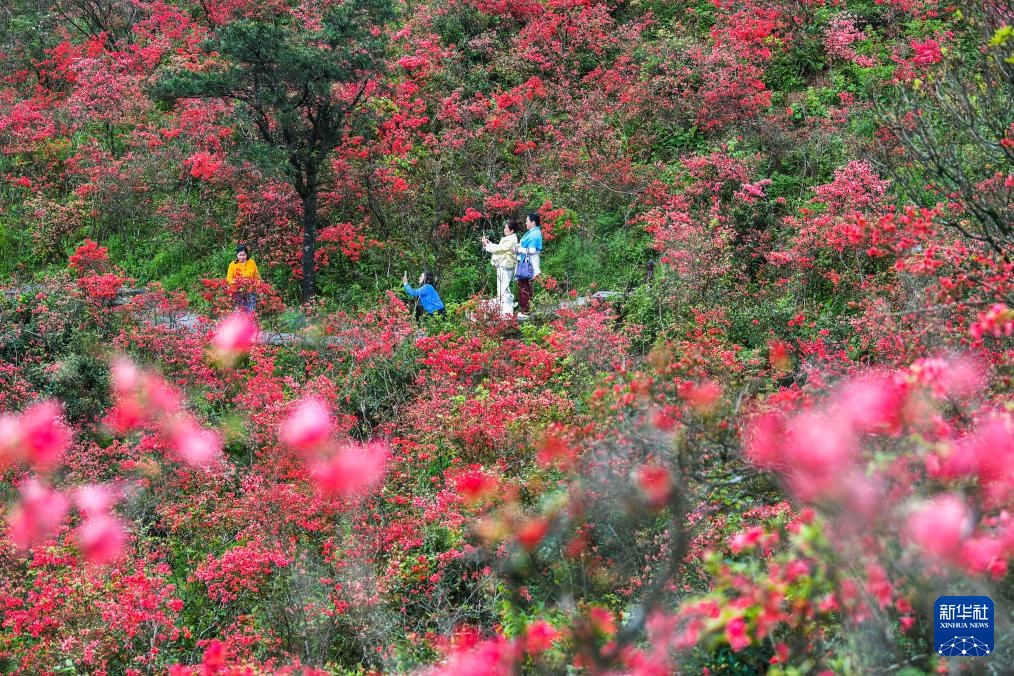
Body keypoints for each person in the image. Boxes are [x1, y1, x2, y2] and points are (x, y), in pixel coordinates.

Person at [481, 219, 519, 316]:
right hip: (503, 266)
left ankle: (506, 313)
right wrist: (489, 244)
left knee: (503, 290)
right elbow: (499, 247)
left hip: (506, 266)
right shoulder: (508, 238)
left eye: (506, 227)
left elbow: (499, 249)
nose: (504, 229)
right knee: (503, 289)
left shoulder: (511, 240)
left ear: (512, 230)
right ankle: (505, 310)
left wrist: (487, 245)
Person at [515, 212, 543, 319]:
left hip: (529, 264)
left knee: (524, 286)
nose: (526, 222)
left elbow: (532, 249)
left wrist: (520, 249)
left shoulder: (535, 234)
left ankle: (525, 310)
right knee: (525, 286)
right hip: (526, 261)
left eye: (527, 220)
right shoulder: (532, 232)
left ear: (533, 222)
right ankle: (526, 308)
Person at [226, 244, 260, 312]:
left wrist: (256, 284)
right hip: (237, 291)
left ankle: (250, 321)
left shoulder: (252, 262)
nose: (241, 257)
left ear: (246, 255)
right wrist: (234, 281)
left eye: (243, 255)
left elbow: (257, 276)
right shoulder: (232, 264)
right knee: (240, 310)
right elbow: (229, 278)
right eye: (240, 255)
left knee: (251, 310)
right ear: (237, 255)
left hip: (251, 290)